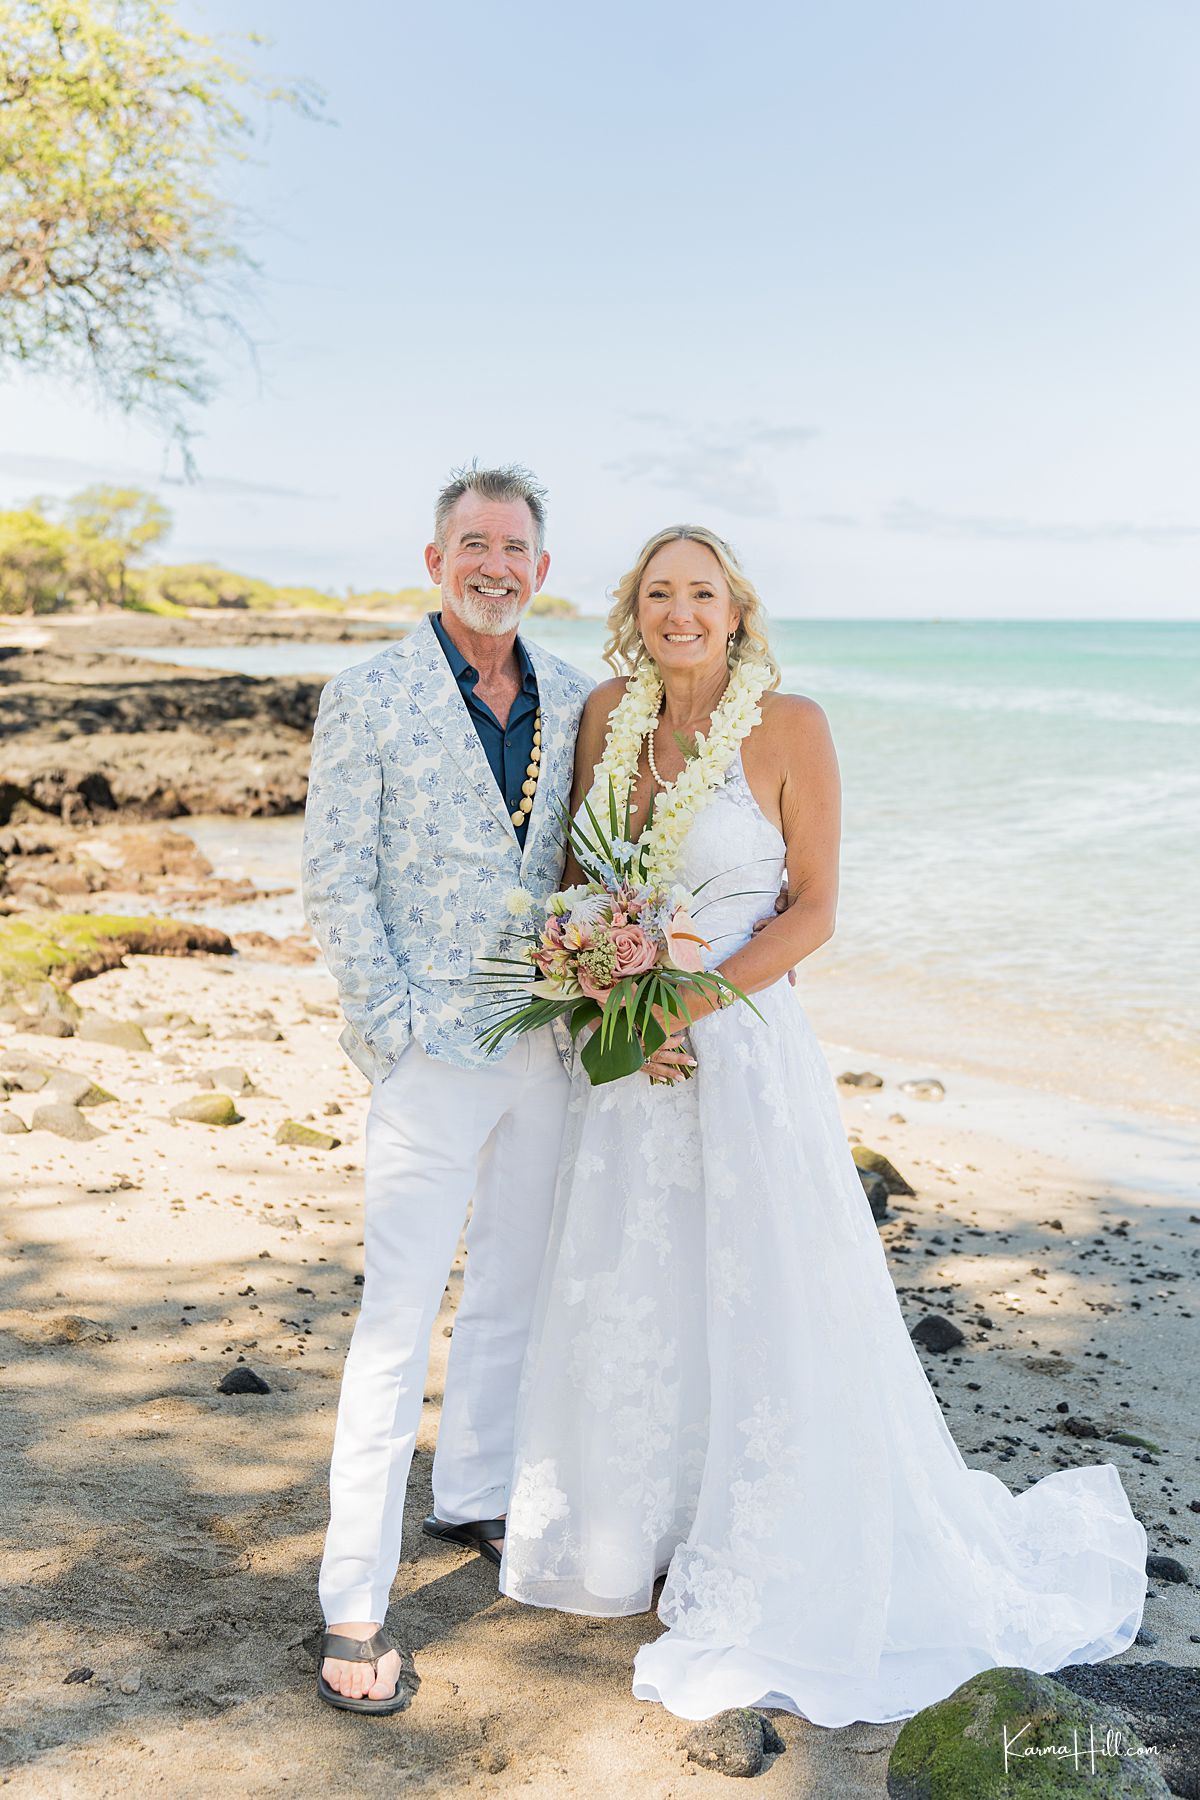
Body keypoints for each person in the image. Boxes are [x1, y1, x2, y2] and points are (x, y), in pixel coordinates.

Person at [499, 523, 1149, 1727]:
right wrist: (604, 984)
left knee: (768, 1290)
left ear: (738, 611)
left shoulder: (791, 726)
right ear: (632, 611)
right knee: (634, 1277)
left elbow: (816, 910)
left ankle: (765, 1539)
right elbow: (582, 886)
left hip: (741, 1047)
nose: (679, 612)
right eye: (658, 594)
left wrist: (689, 995)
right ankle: (640, 1526)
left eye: (702, 593)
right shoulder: (603, 718)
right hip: (624, 1053)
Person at [301, 463, 593, 1712]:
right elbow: (335, 879)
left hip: (549, 1047)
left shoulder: (582, 700)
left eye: (516, 548)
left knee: (515, 1294)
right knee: (394, 1324)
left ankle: (472, 1494)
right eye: (473, 543)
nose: (495, 565)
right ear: (435, 560)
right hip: (429, 1056)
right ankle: (353, 1600)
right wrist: (395, 1033)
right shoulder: (365, 696)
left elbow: (591, 861)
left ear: (541, 569)